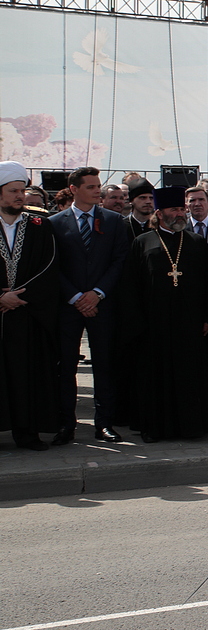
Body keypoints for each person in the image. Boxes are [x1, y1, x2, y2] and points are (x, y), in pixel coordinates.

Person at [117, 186, 208, 442]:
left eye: (182, 209)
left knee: (188, 376)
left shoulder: (196, 242)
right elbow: (131, 286)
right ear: (160, 213)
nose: (181, 214)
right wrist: (137, 323)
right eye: (175, 209)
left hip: (189, 324)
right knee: (155, 377)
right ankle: (154, 428)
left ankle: (192, 427)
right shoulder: (143, 242)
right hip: (154, 325)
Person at [50, 165, 130, 445]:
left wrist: (97, 293)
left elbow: (119, 261)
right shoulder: (55, 223)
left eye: (98, 186)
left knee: (105, 365)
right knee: (66, 366)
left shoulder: (114, 221)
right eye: (91, 187)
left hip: (102, 305)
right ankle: (66, 424)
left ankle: (104, 423)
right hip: (68, 307)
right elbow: (53, 265)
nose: (97, 191)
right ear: (74, 189)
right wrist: (75, 297)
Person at [0, 162, 61, 451]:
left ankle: (27, 433)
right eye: (13, 191)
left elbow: (50, 266)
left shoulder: (40, 225)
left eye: (21, 191)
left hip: (28, 314)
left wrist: (20, 296)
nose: (19, 196)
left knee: (27, 375)